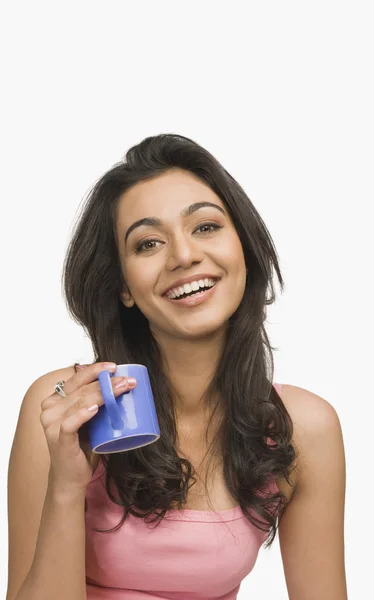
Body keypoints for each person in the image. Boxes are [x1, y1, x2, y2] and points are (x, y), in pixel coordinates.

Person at [7, 133, 347, 600]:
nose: (184, 256)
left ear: (243, 249)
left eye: (205, 227)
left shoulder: (303, 427)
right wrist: (67, 487)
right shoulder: (65, 409)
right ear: (124, 287)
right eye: (148, 244)